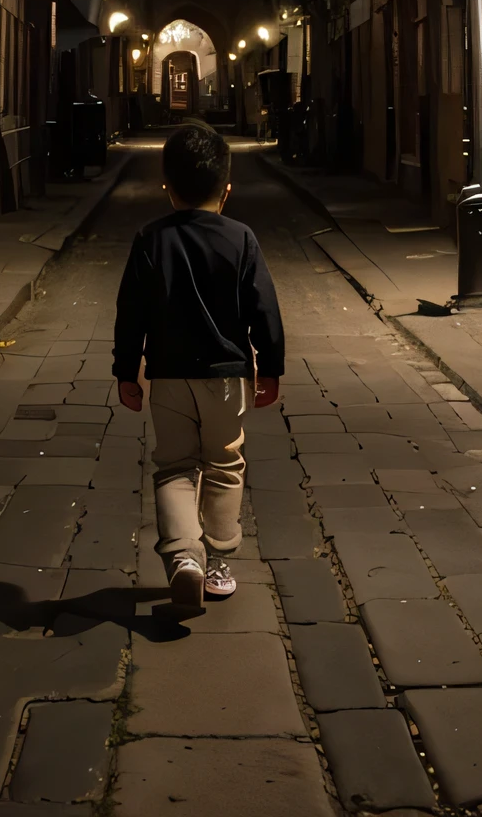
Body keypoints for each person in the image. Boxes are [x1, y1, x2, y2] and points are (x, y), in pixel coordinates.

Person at [113, 121, 284, 611]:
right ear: (226, 190)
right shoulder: (242, 238)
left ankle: (183, 557)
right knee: (225, 464)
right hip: (227, 378)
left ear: (168, 189)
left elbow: (132, 313)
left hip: (167, 377)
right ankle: (218, 561)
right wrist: (270, 366)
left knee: (174, 468)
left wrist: (127, 372)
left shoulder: (151, 239)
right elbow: (263, 308)